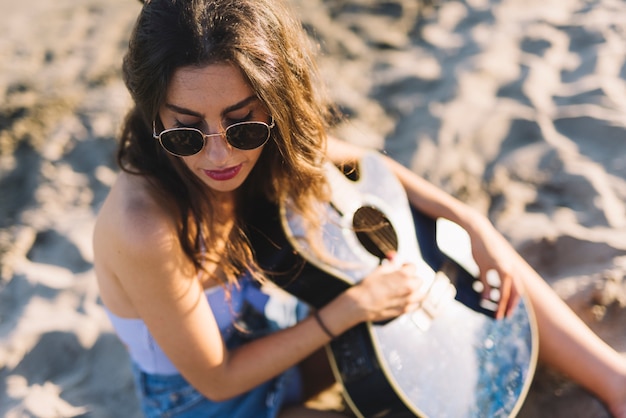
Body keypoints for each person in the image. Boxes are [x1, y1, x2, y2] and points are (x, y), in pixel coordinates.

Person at [92, 0, 626, 417]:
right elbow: (218, 378)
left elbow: (371, 164)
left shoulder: (270, 144)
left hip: (285, 338)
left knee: (462, 256)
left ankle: (613, 381)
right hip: (211, 404)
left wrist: (471, 222)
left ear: (274, 106)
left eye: (245, 124)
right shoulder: (143, 227)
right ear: (152, 112)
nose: (219, 153)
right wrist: (351, 309)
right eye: (186, 131)